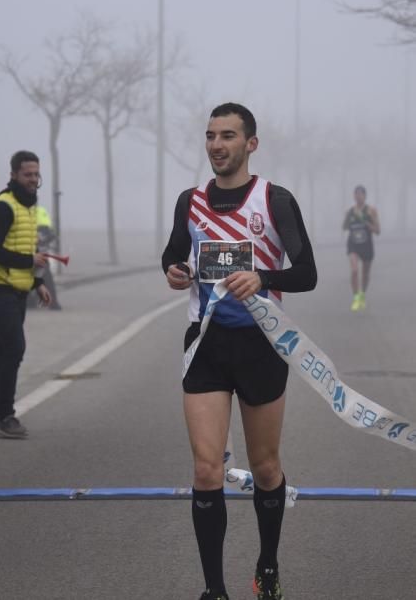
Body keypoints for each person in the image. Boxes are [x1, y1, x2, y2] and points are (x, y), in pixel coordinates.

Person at [162, 103, 317, 600]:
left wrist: (264, 277)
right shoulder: (190, 201)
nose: (216, 145)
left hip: (260, 345)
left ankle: (267, 564)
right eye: (210, 135)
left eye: (227, 135)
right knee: (206, 468)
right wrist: (174, 270)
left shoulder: (274, 200)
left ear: (250, 143)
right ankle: (214, 589)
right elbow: (172, 252)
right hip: (206, 344)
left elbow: (307, 273)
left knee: (266, 465)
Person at [0, 150, 52, 438]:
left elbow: (24, 250)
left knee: (1, 352)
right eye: (27, 174)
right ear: (13, 176)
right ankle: (6, 416)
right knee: (14, 348)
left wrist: (38, 283)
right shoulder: (2, 207)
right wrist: (29, 262)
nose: (33, 180)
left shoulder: (30, 207)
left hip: (18, 289)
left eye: (36, 174)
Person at [342, 185, 380, 311]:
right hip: (353, 244)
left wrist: (367, 223)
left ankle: (362, 294)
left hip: (366, 245)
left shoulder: (371, 211)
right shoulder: (350, 211)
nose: (357, 196)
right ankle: (356, 297)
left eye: (360, 194)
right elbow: (345, 227)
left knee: (365, 273)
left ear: (364, 196)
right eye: (355, 194)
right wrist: (347, 218)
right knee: (354, 270)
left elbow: (378, 230)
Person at [28, 204, 62, 310]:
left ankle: (30, 302)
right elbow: (51, 233)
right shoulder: (41, 210)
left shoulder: (24, 212)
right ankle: (53, 303)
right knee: (46, 278)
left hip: (32, 250)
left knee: (28, 275)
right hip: (41, 249)